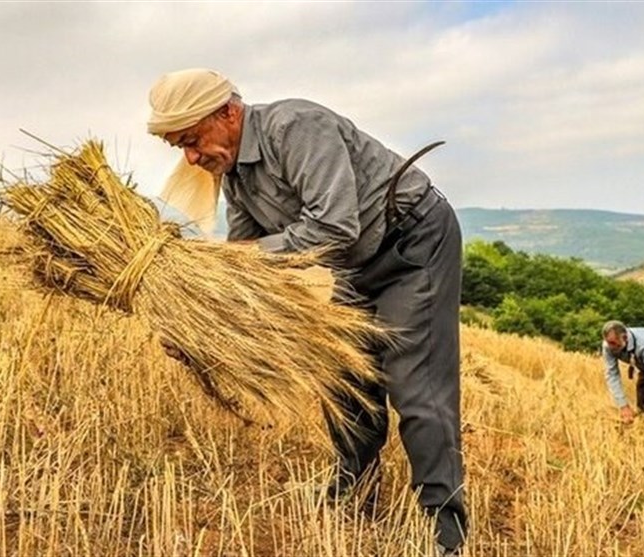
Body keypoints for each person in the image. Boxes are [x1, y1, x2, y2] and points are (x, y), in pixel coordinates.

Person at [147, 68, 466, 554]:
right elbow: (248, 263)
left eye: (193, 140)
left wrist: (244, 258)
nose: (192, 157)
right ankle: (351, 491)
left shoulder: (296, 128)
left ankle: (444, 528)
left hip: (411, 243)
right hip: (353, 263)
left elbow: (334, 225)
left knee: (415, 385)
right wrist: (198, 312)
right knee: (344, 379)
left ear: (228, 113)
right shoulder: (237, 177)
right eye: (180, 148)